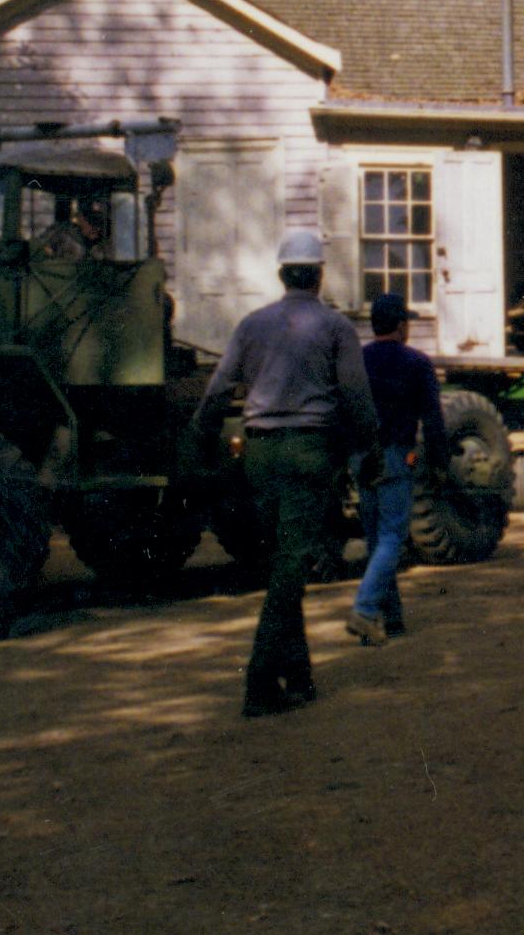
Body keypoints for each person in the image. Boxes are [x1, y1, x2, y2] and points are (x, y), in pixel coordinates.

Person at [185, 229, 382, 718]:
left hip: (259, 453)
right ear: (319, 274)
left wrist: (198, 441)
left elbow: (215, 393)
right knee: (291, 568)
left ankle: (299, 675)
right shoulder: (336, 329)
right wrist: (370, 449)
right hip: (310, 451)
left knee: (282, 564)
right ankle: (258, 680)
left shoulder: (251, 325)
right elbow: (357, 398)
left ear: (281, 273)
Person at [348, 292, 451, 648]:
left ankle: (389, 617)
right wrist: (440, 464)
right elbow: (434, 421)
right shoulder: (417, 362)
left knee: (377, 539)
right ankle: (363, 610)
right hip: (396, 455)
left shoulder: (356, 361)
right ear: (402, 325)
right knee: (392, 537)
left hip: (362, 458)